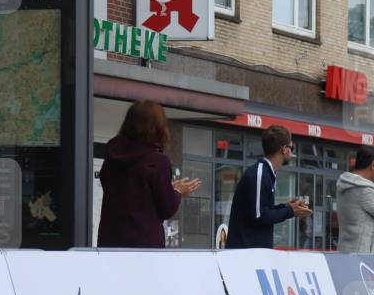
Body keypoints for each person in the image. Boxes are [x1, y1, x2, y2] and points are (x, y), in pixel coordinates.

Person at [98, 101, 201, 248]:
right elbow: (166, 208)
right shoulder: (157, 161)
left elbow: (127, 192)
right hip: (143, 246)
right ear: (158, 128)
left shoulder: (112, 156)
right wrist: (177, 191)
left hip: (109, 243)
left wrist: (169, 189)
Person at [226, 125, 312, 249]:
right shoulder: (260, 173)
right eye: (291, 148)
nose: (292, 152)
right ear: (283, 149)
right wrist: (290, 210)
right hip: (246, 253)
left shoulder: (266, 173)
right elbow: (260, 216)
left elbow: (262, 211)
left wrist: (287, 207)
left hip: (254, 251)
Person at [336, 145, 374, 254]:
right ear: (373, 165)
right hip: (362, 255)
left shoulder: (346, 183)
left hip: (345, 250)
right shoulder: (365, 190)